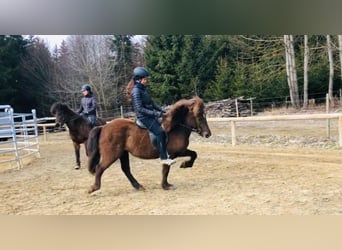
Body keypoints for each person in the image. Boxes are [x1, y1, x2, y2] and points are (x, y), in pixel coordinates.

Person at [126, 66, 176, 166]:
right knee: (160, 132)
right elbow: (140, 109)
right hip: (143, 117)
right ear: (138, 80)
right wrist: (156, 114)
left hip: (150, 115)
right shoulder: (136, 92)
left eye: (146, 79)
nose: (146, 81)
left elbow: (152, 103)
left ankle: (164, 149)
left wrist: (162, 110)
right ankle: (163, 157)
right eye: (145, 79)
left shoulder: (143, 89)